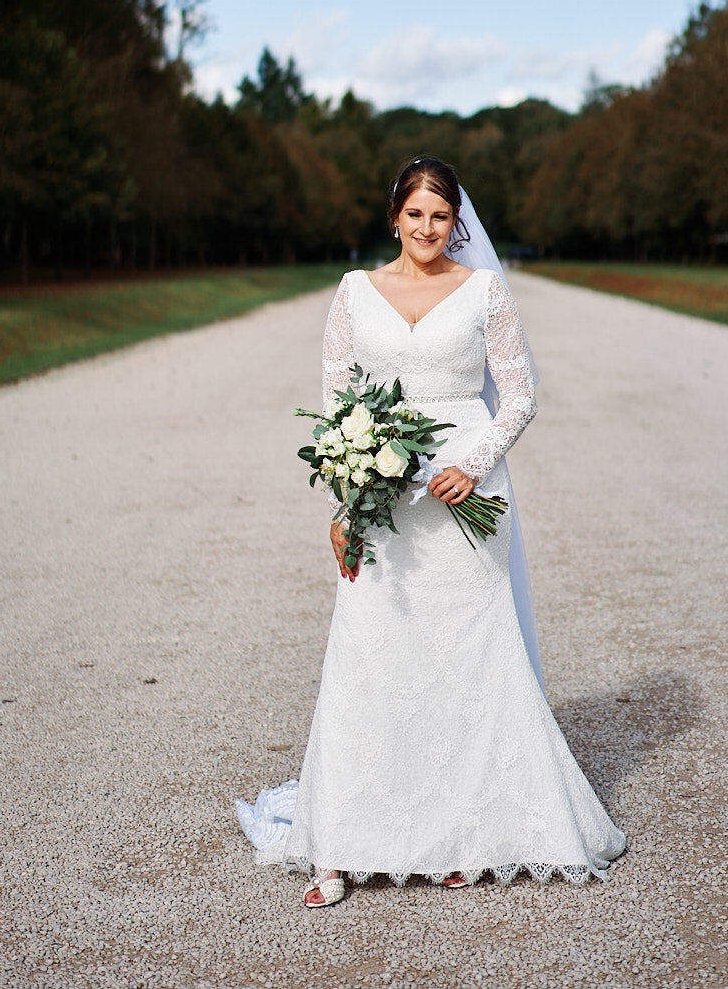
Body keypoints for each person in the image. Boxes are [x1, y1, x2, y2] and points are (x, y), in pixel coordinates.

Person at [236, 156, 626, 906]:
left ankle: (465, 833)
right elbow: (337, 402)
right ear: (393, 218)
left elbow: (518, 394)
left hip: (464, 492)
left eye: (440, 216)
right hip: (382, 494)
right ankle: (337, 845)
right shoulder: (355, 292)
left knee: (465, 654)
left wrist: (473, 463)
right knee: (369, 650)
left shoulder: (484, 292)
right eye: (414, 214)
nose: (426, 228)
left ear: (458, 224)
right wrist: (343, 510)